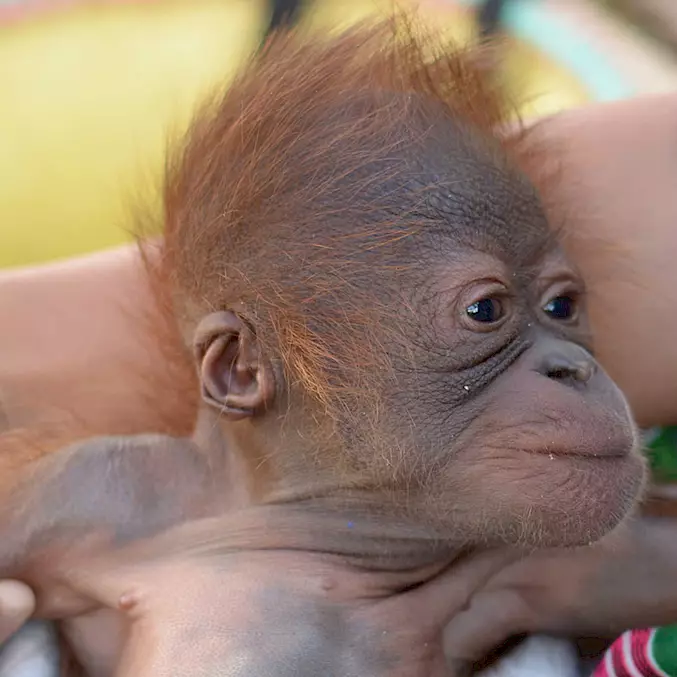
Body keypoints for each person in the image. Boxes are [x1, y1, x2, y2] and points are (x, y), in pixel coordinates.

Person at [1, 91, 677, 675]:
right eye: (484, 313)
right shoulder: (111, 496)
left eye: (561, 306)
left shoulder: (518, 541)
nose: (572, 363)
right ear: (242, 370)